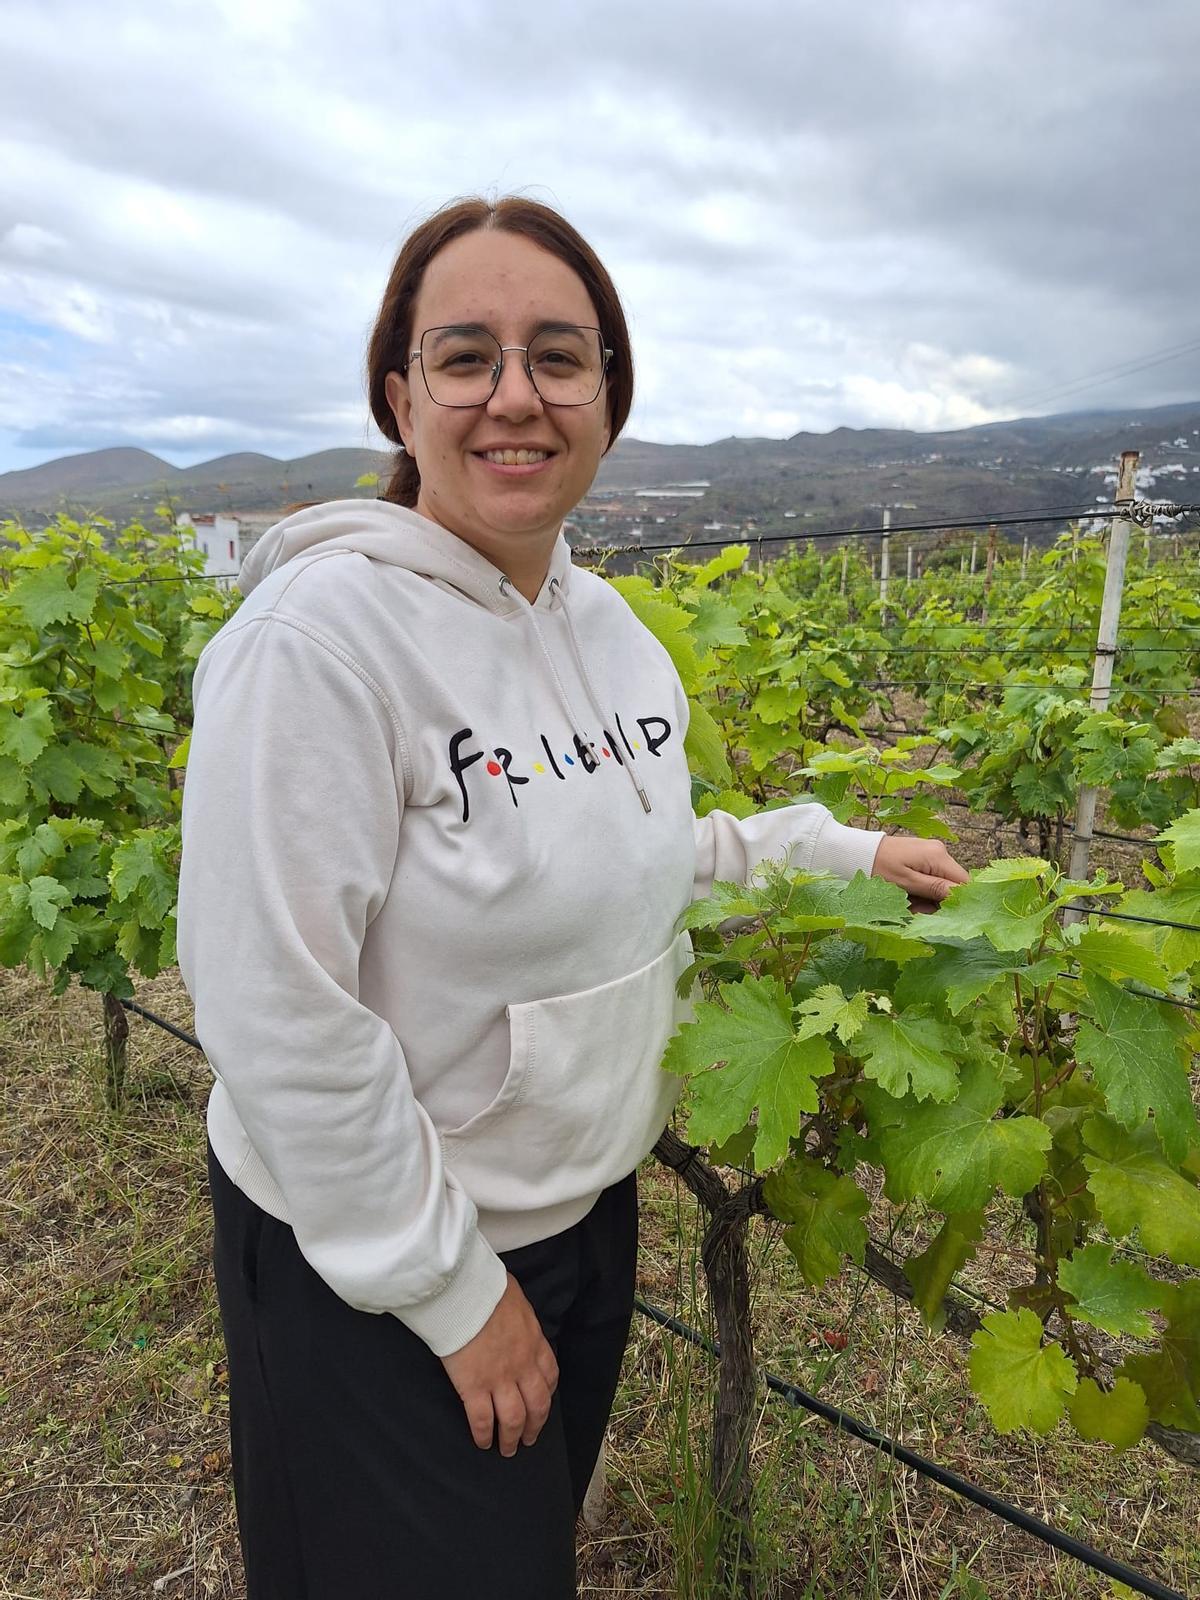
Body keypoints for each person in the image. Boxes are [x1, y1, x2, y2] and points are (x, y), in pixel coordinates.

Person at [176, 194, 969, 1599]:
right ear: (397, 393)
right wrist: (452, 1294)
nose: (515, 396)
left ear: (608, 394)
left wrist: (841, 855)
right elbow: (277, 1012)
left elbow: (648, 836)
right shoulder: (320, 643)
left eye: (560, 355)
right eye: (465, 355)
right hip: (374, 1264)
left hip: (581, 1223)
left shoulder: (605, 630)